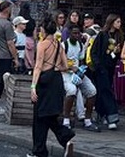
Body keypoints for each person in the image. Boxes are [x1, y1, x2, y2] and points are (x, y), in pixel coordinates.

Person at [29, 14, 75, 157]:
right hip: (57, 80)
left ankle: (44, 148)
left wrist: (32, 87)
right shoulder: (59, 44)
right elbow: (65, 65)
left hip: (45, 81)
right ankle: (60, 140)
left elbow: (37, 67)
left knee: (40, 116)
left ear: (44, 30)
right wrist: (56, 68)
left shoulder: (42, 44)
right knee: (48, 115)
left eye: (41, 29)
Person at [61, 24, 98, 131]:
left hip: (78, 73)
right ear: (69, 34)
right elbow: (59, 64)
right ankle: (66, 120)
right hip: (66, 74)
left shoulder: (80, 45)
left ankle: (87, 120)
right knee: (71, 91)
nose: (77, 35)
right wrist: (71, 68)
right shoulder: (64, 46)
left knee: (92, 91)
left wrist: (81, 70)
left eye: (78, 33)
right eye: (74, 33)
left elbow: (81, 59)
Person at [91, 13, 123, 129]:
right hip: (101, 67)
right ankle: (112, 115)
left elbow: (117, 55)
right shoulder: (102, 35)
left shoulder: (118, 36)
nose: (119, 24)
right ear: (112, 22)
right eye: (117, 21)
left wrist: (117, 51)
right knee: (106, 91)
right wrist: (98, 65)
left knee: (102, 91)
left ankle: (101, 113)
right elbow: (94, 51)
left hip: (111, 67)